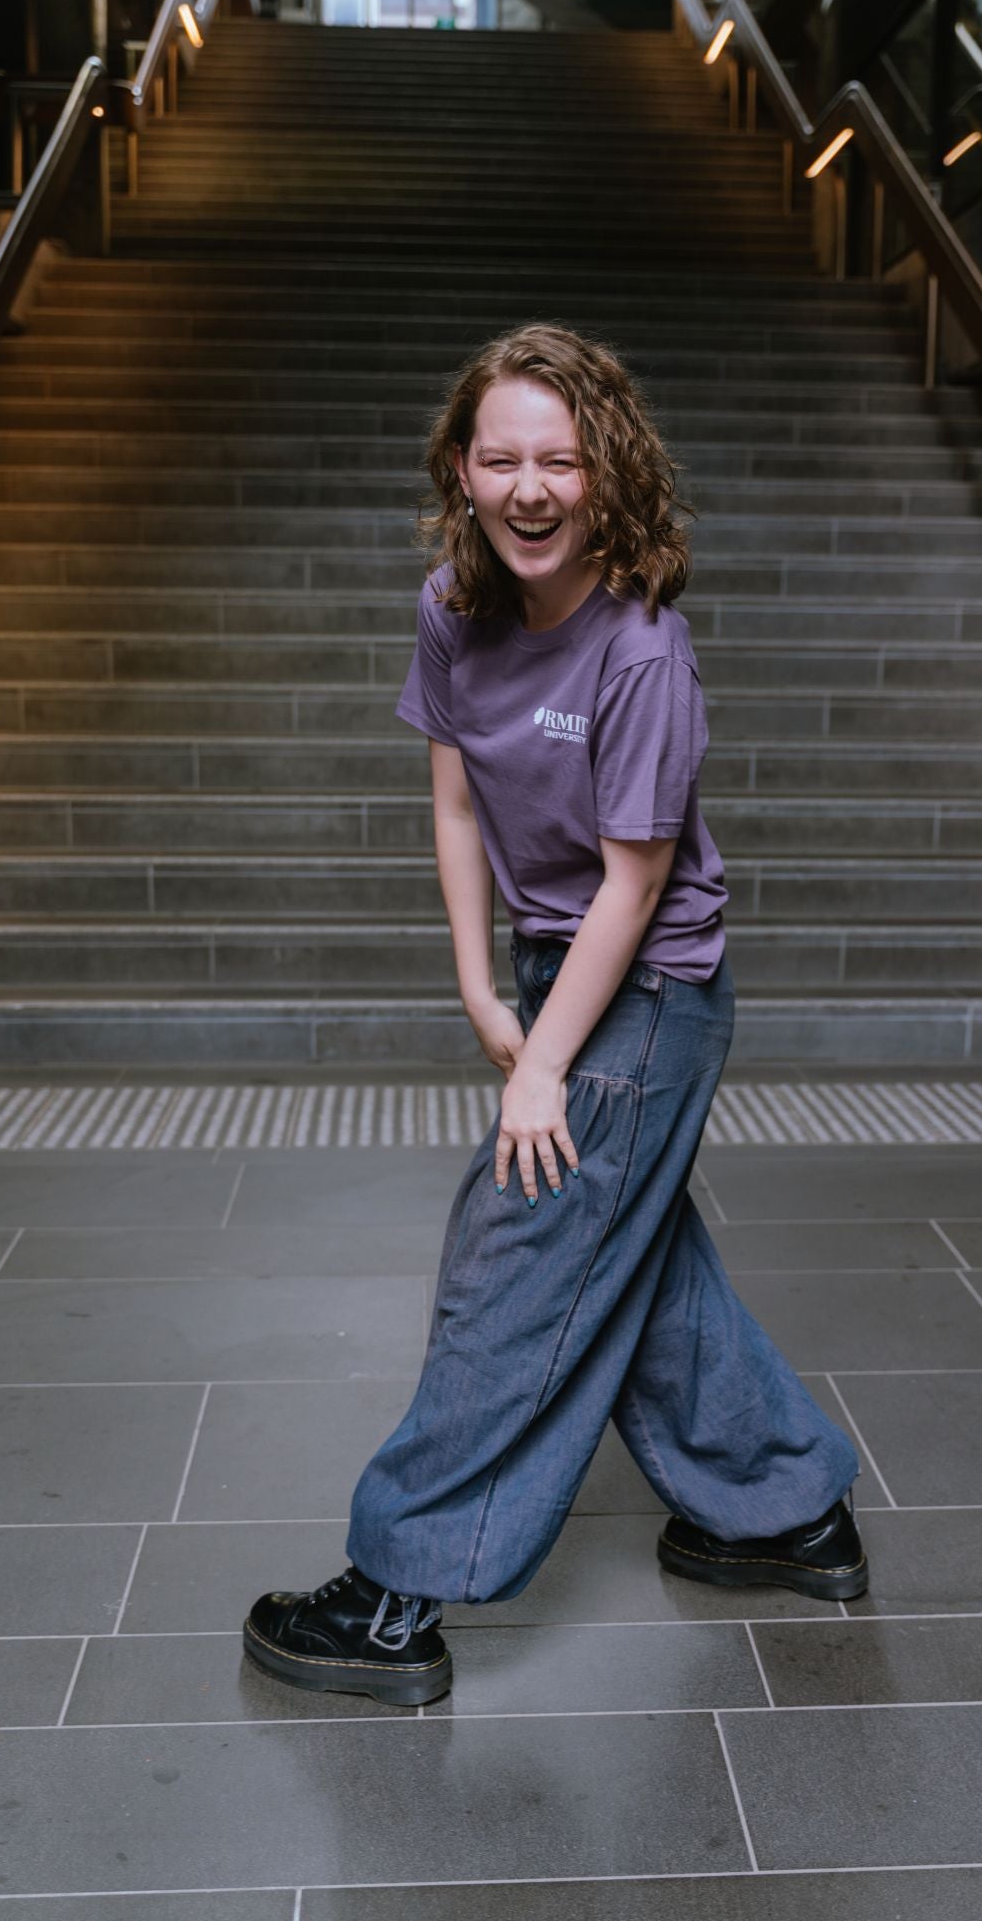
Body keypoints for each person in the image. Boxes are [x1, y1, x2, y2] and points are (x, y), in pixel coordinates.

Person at [243, 324, 868, 1706]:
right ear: (461, 470)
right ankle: (787, 1514)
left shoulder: (641, 651)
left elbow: (637, 886)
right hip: (546, 964)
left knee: (514, 1259)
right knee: (633, 1267)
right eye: (501, 456)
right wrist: (477, 986)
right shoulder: (451, 610)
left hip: (647, 990)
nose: (530, 488)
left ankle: (400, 1592)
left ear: (606, 475)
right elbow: (456, 795)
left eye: (560, 460)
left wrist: (545, 1073)